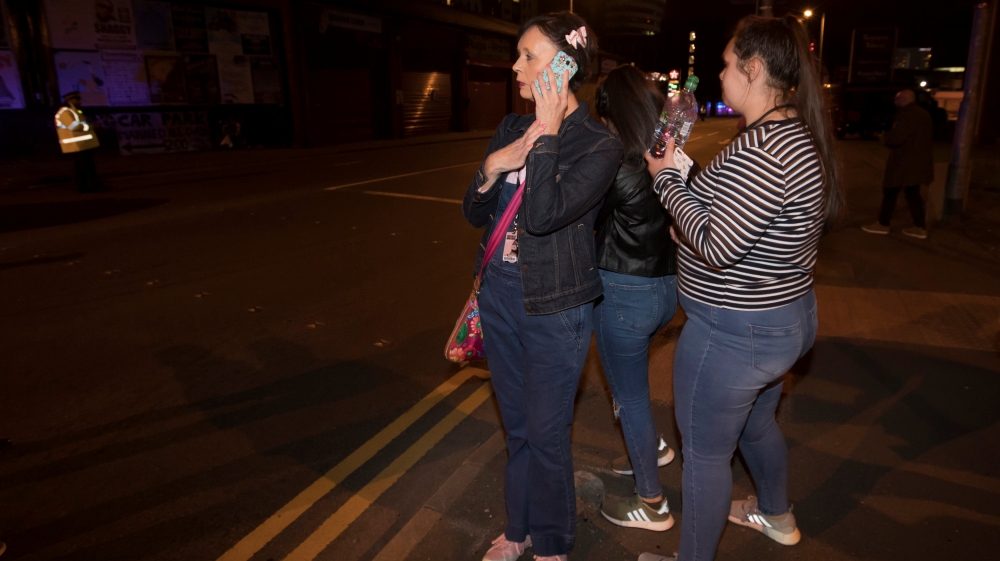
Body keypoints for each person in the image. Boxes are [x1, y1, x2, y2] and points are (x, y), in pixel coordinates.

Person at [640, 13, 844, 561]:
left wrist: (664, 180)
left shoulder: (764, 151)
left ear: (753, 70)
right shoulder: (785, 135)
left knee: (705, 456)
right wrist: (687, 176)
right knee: (756, 426)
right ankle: (776, 515)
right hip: (782, 321)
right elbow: (738, 214)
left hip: (735, 334)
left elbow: (713, 242)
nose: (721, 73)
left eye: (728, 64)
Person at [462, 12, 623, 561]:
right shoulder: (511, 127)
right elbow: (472, 210)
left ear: (564, 66)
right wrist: (492, 165)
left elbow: (544, 215)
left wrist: (548, 134)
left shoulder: (599, 146)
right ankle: (519, 529)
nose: (516, 66)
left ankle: (553, 542)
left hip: (556, 306)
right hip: (501, 295)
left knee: (547, 435)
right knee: (518, 430)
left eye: (528, 55)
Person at [591, 64, 680, 533]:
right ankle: (654, 451)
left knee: (629, 397)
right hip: (666, 290)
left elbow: (583, 219)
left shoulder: (617, 163)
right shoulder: (671, 157)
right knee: (636, 391)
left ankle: (652, 503)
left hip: (624, 293)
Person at [862, 88, 933, 239]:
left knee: (890, 191)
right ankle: (920, 227)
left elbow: (896, 139)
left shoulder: (906, 115)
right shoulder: (923, 114)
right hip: (918, 162)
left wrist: (884, 138)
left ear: (904, 99)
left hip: (903, 162)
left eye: (897, 99)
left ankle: (883, 224)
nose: (896, 102)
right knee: (913, 194)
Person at [55, 92, 106, 194]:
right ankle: (94, 186)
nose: (80, 101)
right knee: (87, 166)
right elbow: (74, 127)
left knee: (80, 168)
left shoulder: (73, 111)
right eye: (77, 100)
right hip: (76, 145)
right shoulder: (65, 112)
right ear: (70, 100)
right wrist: (92, 126)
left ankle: (83, 188)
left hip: (81, 144)